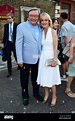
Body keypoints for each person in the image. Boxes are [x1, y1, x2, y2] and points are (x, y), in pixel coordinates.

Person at [16, 7, 43, 106]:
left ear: (38, 17)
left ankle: (36, 93)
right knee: (24, 79)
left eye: (36, 16)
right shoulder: (21, 26)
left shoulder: (40, 27)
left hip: (38, 58)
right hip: (25, 59)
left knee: (36, 78)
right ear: (28, 16)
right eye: (32, 15)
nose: (34, 18)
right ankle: (25, 95)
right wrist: (19, 59)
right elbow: (18, 44)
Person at [36, 12, 61, 107]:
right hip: (43, 57)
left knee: (52, 78)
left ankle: (54, 96)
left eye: (45, 20)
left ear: (49, 21)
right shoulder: (41, 32)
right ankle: (46, 94)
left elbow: (55, 47)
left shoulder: (52, 31)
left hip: (51, 56)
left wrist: (55, 59)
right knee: (44, 77)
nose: (44, 22)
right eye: (42, 20)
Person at [2, 12, 18, 77]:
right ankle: (9, 72)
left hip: (14, 43)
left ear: (12, 18)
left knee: (16, 56)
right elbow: (5, 36)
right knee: (8, 58)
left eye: (9, 18)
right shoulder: (6, 26)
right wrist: (3, 44)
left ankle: (19, 65)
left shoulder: (17, 25)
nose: (8, 20)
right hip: (8, 43)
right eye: (7, 19)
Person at [60, 12, 75, 80]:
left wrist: (66, 47)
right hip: (73, 45)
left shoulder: (64, 26)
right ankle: (69, 74)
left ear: (61, 18)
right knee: (69, 61)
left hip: (67, 45)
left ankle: (64, 75)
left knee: (64, 61)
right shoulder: (72, 25)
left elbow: (65, 37)